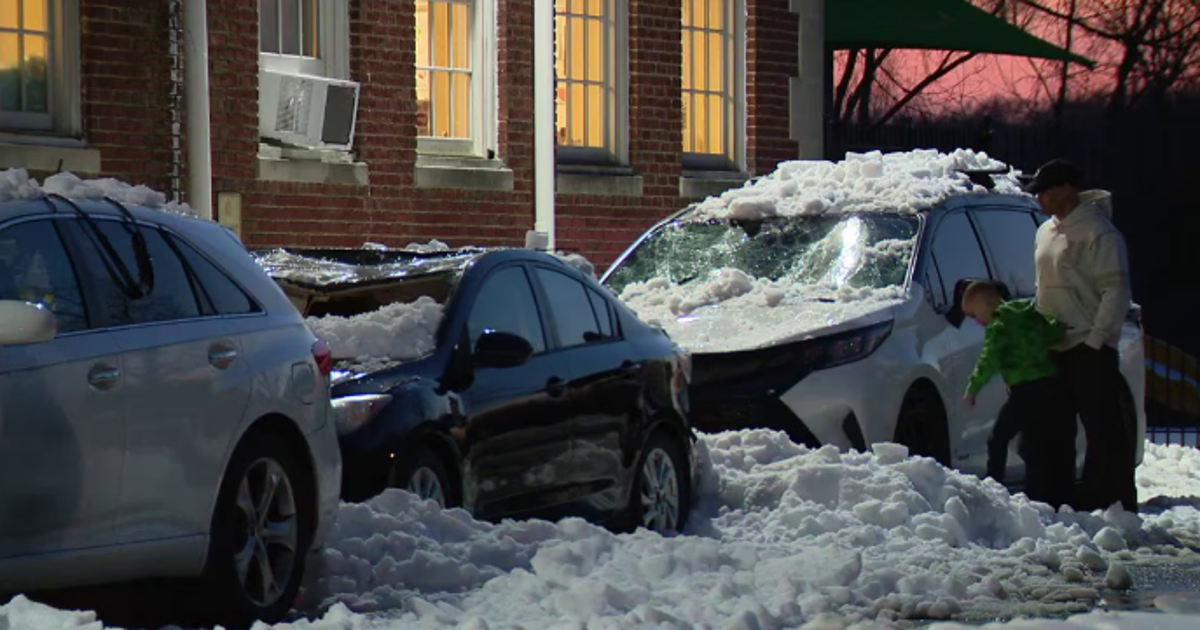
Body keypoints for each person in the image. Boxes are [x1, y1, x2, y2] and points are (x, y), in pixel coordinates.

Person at [1026, 158, 1137, 512]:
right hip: (1052, 345)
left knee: (1103, 431)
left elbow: (1115, 290)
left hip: (1088, 347)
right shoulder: (1044, 232)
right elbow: (1042, 287)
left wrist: (1096, 341)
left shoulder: (1099, 233)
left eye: (1046, 190)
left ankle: (1112, 503)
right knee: (1053, 430)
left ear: (1068, 189)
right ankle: (1056, 500)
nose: (1040, 197)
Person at [961, 281, 1074, 509]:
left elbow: (988, 361)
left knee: (998, 439)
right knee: (1036, 443)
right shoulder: (1029, 313)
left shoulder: (999, 326)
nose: (977, 322)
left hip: (1025, 392)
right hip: (1050, 388)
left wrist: (973, 388)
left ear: (986, 305)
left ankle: (995, 488)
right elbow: (1052, 331)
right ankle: (1043, 495)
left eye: (975, 315)